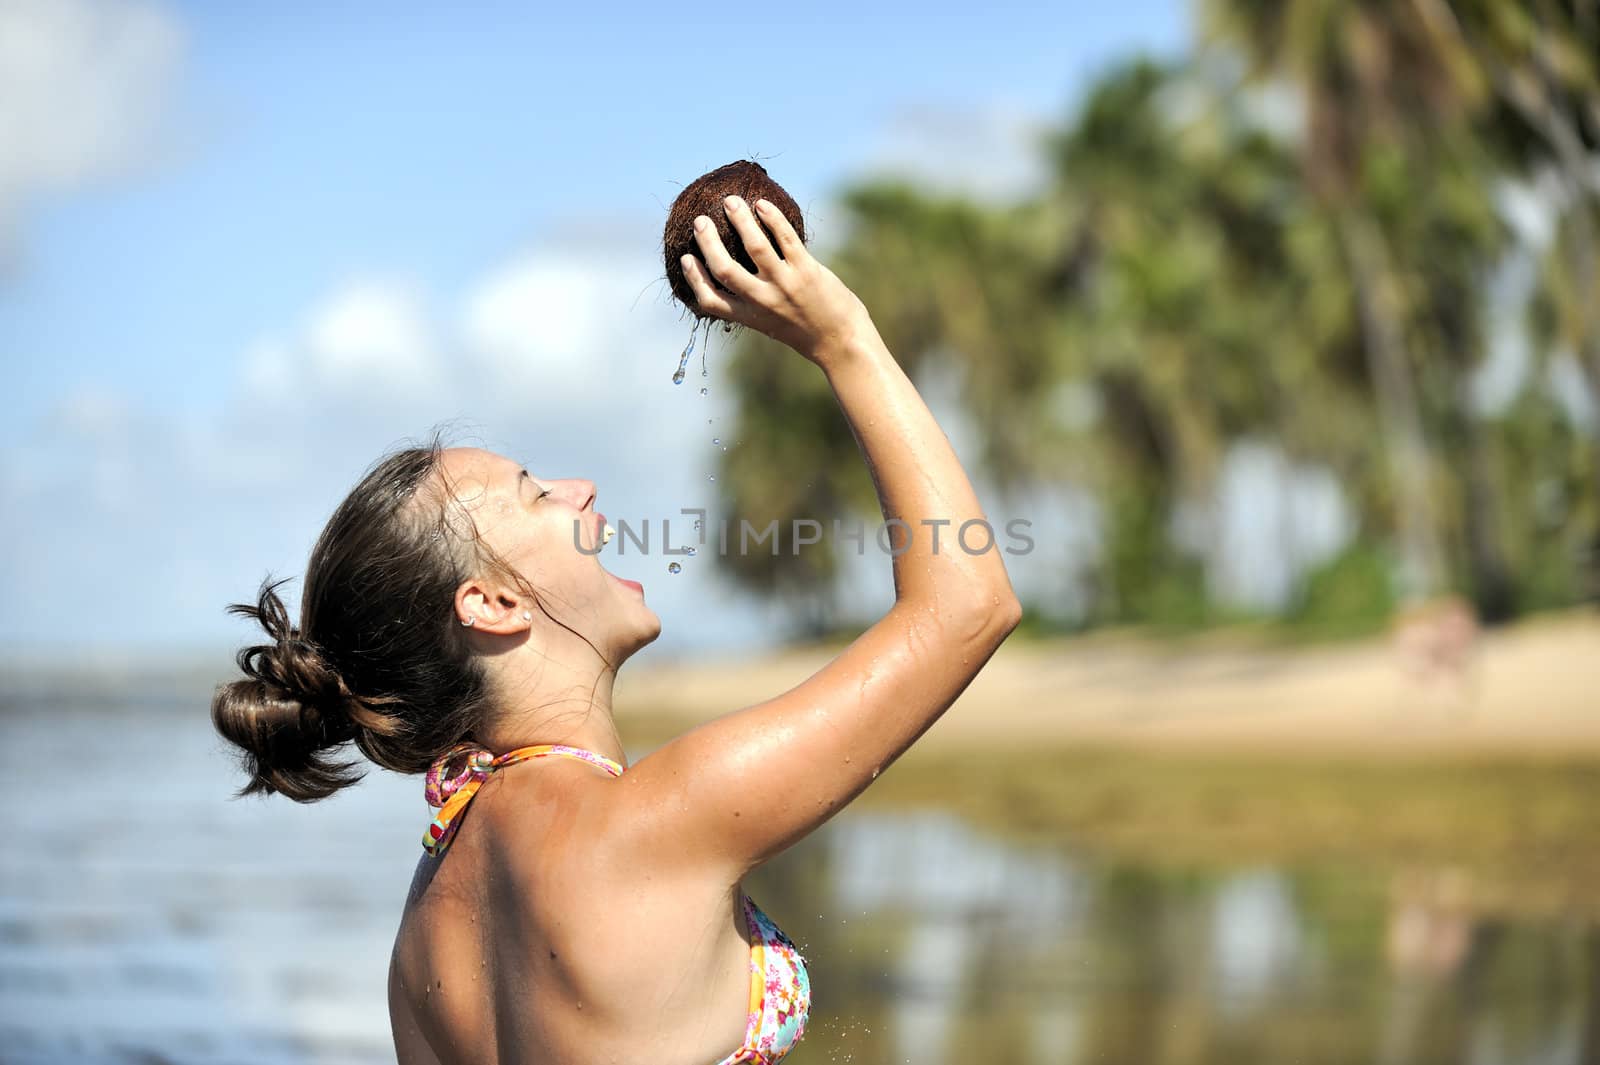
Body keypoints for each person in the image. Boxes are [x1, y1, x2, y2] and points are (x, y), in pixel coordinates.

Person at [212, 192, 1022, 1065]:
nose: (580, 488)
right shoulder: (664, 816)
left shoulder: (423, 932)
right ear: (493, 604)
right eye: (535, 493)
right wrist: (843, 338)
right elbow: (967, 603)